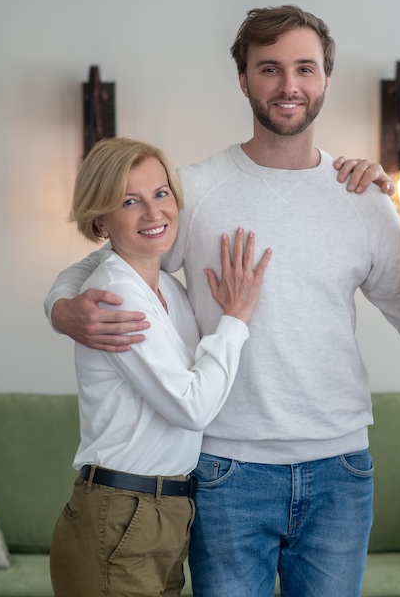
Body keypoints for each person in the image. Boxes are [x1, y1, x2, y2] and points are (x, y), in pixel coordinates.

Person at [44, 6, 400, 597]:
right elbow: (109, 259)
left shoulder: (363, 198)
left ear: (324, 79)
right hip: (225, 472)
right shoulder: (195, 191)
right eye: (269, 69)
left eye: (304, 68)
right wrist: (62, 307)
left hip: (340, 471)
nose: (288, 85)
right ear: (244, 80)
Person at [48, 137, 271, 597]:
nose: (154, 214)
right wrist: (234, 321)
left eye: (161, 194)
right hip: (121, 511)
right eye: (130, 201)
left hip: (162, 512)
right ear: (100, 219)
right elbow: (192, 408)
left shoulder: (167, 288)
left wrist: (55, 303)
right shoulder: (117, 295)